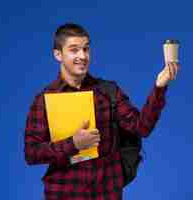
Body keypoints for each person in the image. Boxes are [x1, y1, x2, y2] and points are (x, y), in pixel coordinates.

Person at [24, 23, 180, 200]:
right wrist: (73, 144)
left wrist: (160, 86)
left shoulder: (108, 92)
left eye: (86, 49)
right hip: (64, 193)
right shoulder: (44, 99)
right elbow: (31, 153)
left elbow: (141, 128)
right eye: (74, 50)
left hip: (107, 192)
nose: (82, 56)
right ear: (58, 54)